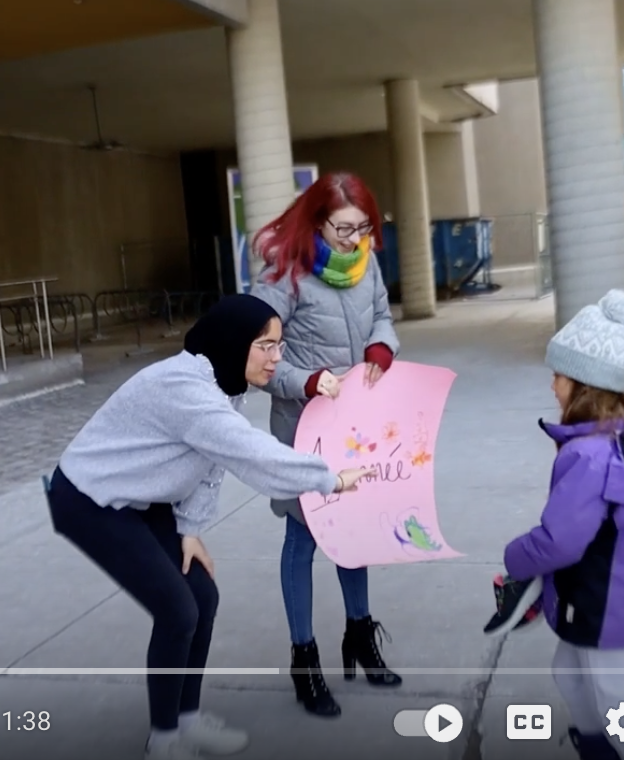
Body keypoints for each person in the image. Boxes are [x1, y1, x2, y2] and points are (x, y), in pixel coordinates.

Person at [45, 294, 373, 760]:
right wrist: (330, 479)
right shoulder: (187, 389)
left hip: (145, 497)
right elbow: (248, 453)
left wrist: (191, 529)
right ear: (234, 342)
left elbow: (208, 464)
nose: (276, 358)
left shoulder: (221, 383)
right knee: (177, 610)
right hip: (89, 499)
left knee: (202, 596)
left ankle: (187, 721)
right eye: (266, 346)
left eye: (280, 346)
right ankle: (163, 740)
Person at [493, 290, 624, 760]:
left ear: (584, 383)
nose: (552, 386)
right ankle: (597, 748)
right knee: (569, 671)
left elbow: (561, 539)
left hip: (604, 597)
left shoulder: (590, 454)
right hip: (613, 586)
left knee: (615, 706)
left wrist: (513, 557)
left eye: (558, 376)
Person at [249, 172, 402, 718]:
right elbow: (259, 359)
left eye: (364, 229)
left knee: (353, 534)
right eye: (343, 229)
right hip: (303, 429)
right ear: (317, 222)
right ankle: (304, 659)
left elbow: (382, 314)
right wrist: (307, 381)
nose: (354, 240)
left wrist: (382, 349)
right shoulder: (283, 277)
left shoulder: (366, 264)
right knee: (305, 536)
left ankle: (359, 635)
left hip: (356, 425)